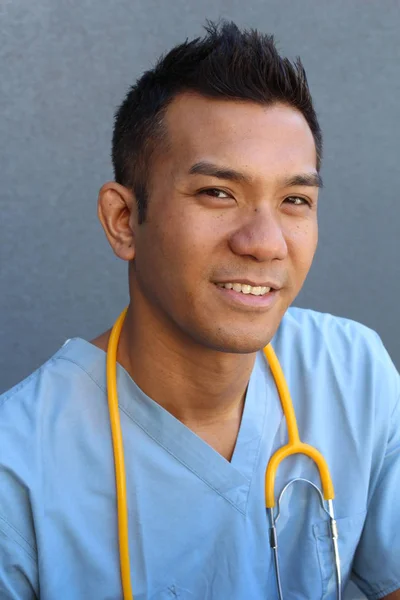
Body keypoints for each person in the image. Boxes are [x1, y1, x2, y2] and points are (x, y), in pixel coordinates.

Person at [0, 20, 399, 600]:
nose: (264, 242)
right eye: (218, 193)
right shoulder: (18, 466)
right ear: (122, 221)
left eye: (294, 200)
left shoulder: (353, 374)